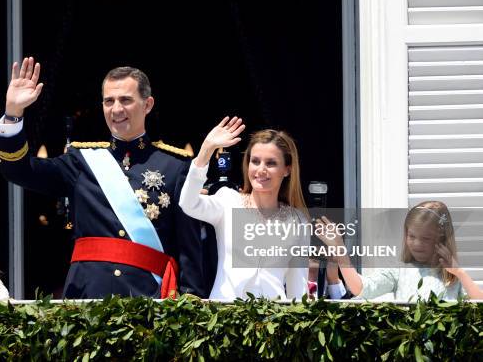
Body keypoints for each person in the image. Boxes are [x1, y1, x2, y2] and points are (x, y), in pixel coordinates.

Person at [0, 57, 206, 299]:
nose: (116, 109)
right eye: (109, 101)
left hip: (149, 300)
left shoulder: (175, 166)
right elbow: (18, 170)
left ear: (147, 105)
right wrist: (13, 113)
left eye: (126, 100)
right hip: (87, 297)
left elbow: (189, 248)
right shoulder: (81, 162)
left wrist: (192, 302)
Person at [178, 117, 310, 300]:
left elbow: (298, 289)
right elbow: (188, 203)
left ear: (287, 169)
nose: (261, 170)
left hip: (274, 321)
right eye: (255, 161)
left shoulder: (298, 221)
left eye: (271, 163)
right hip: (226, 318)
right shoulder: (228, 201)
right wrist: (206, 149)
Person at [316, 200, 483, 300]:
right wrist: (340, 251)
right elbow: (360, 288)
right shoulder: (399, 271)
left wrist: (459, 272)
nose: (416, 244)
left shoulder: (453, 278)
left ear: (441, 238)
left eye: (425, 238)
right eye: (411, 236)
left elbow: (479, 304)